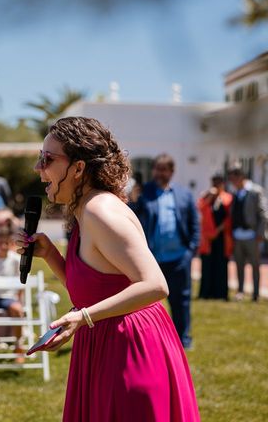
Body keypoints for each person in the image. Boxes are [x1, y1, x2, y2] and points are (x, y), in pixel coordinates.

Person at [16, 117, 199, 421]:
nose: (38, 167)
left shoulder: (100, 212)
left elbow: (155, 285)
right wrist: (50, 255)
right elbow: (96, 291)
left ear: (78, 168)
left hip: (131, 354)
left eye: (48, 159)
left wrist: (84, 317)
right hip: (106, 346)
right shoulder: (83, 211)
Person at [130, 153, 200, 349]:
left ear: (171, 171)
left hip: (179, 258)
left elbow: (194, 224)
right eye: (156, 169)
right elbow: (132, 213)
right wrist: (133, 198)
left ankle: (183, 339)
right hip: (152, 260)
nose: (159, 173)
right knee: (147, 303)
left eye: (163, 170)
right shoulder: (144, 193)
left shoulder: (184, 194)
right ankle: (149, 341)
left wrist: (190, 252)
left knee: (181, 301)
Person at [0, 217, 25, 361]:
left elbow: (21, 283)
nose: (3, 245)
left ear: (11, 243)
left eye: (6, 242)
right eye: (0, 242)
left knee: (18, 310)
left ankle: (18, 345)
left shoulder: (15, 260)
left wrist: (20, 299)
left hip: (9, 297)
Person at [228, 164, 267, 302]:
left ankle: (255, 294)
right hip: (238, 235)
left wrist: (260, 234)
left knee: (255, 266)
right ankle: (240, 291)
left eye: (234, 179)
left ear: (241, 177)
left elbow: (263, 213)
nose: (232, 182)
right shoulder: (235, 193)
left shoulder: (255, 191)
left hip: (252, 235)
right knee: (239, 265)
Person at [197, 174, 233, 301]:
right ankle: (206, 293)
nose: (217, 185)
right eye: (215, 183)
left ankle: (220, 293)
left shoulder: (228, 198)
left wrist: (218, 230)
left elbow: (229, 217)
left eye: (219, 183)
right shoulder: (207, 197)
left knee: (221, 265)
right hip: (208, 238)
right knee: (207, 265)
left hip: (222, 237)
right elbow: (200, 208)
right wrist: (208, 197)